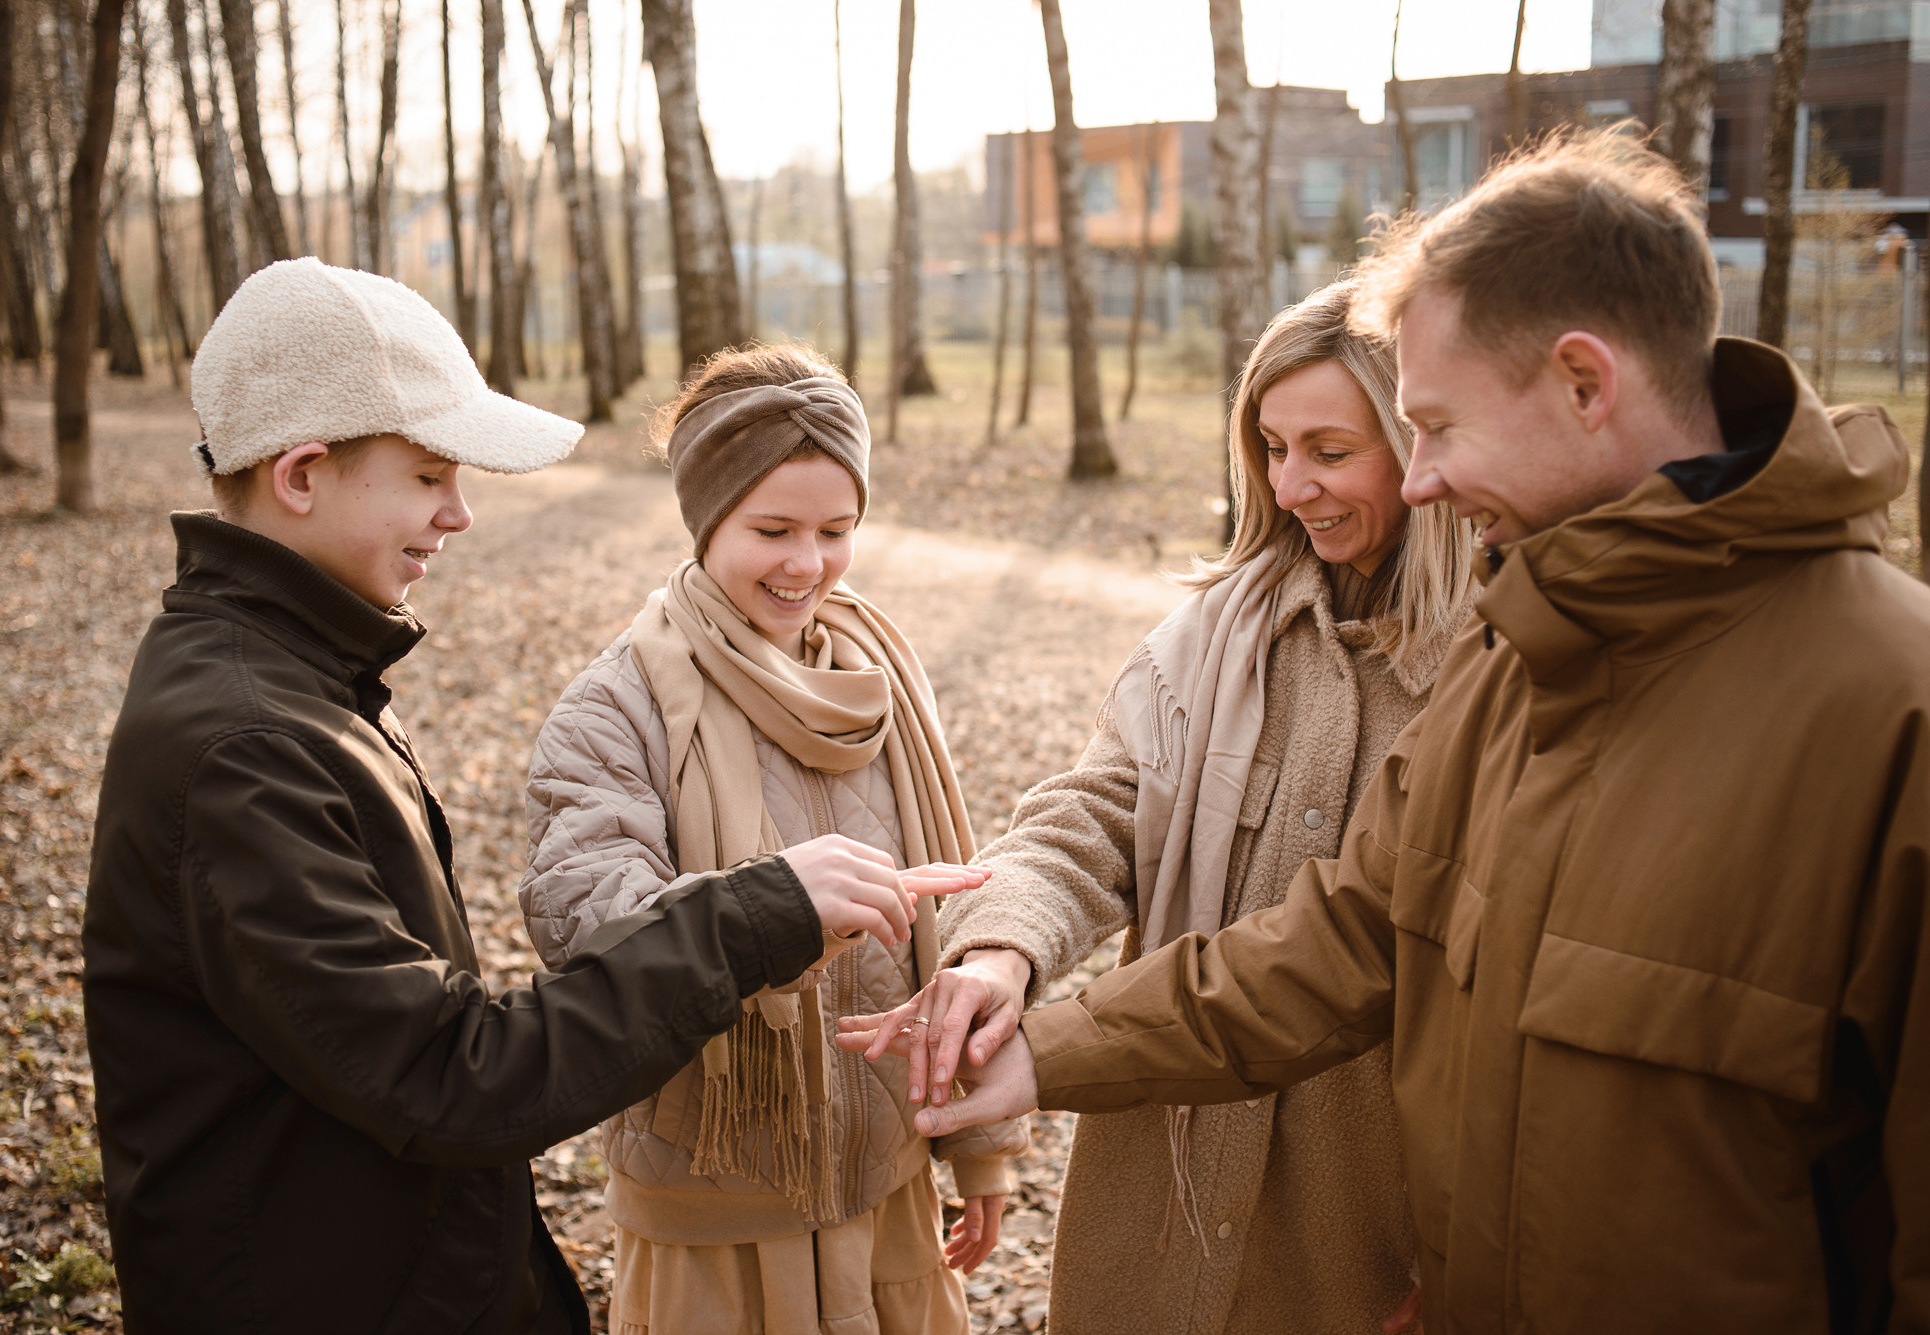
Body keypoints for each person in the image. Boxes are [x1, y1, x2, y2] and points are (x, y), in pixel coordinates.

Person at [843, 128, 1930, 1332]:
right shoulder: (1519, 665)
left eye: (1438, 431)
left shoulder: (1892, 714)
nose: (1419, 487)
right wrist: (1040, 1050)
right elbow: (1335, 947)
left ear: (1584, 383)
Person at [83, 259, 953, 1335]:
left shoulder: (301, 682)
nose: (458, 515)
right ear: (302, 474)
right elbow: (450, 1074)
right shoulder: (247, 742)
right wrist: (756, 915)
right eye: (428, 476)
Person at [849, 281, 1472, 1335]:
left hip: (1374, 1224)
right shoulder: (1210, 640)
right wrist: (999, 950)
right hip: (1158, 1205)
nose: (1290, 485)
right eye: (1269, 448)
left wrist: (1469, 1266)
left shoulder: (1495, 671)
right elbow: (1088, 818)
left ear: (1420, 447)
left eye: (1328, 450)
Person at [518, 345, 1026, 1335]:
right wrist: (774, 912)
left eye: (837, 529)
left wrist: (981, 1143)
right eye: (772, 529)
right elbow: (581, 919)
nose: (807, 563)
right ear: (704, 518)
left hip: (884, 1184)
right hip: (714, 1212)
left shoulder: (878, 677)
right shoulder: (615, 705)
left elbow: (955, 913)